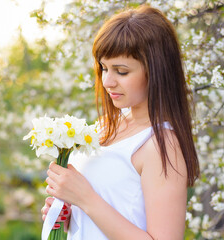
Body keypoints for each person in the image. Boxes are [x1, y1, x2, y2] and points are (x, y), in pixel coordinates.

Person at [41, 5, 199, 240]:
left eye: (121, 71)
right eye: (104, 68)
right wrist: (69, 212)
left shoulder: (161, 145)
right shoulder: (105, 127)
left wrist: (86, 198)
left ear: (156, 71)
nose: (107, 81)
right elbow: (110, 213)